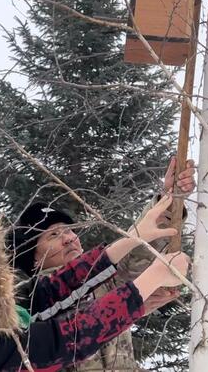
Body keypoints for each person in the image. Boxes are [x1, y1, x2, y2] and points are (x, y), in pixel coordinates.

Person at [0, 205, 190, 371]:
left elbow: (57, 288)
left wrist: (134, 237)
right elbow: (75, 335)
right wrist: (150, 280)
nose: (1, 284)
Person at [10, 157, 196, 371]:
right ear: (33, 257)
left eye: (69, 230)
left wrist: (169, 200)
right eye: (54, 235)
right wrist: (138, 301)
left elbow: (137, 253)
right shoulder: (30, 304)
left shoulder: (104, 279)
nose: (69, 238)